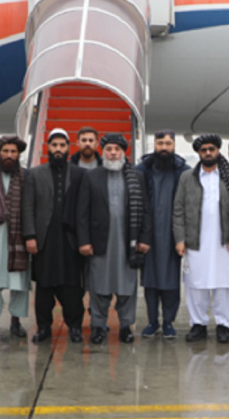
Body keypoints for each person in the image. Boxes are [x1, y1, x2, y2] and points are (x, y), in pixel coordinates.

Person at [77, 133, 151, 345]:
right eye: (109, 149)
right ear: (103, 152)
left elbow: (146, 210)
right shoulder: (92, 176)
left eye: (117, 150)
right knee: (99, 286)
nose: (112, 153)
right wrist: (84, 241)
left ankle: (126, 326)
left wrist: (144, 238)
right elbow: (82, 213)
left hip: (128, 242)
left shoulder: (137, 177)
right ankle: (98, 326)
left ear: (123, 153)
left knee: (127, 287)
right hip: (101, 242)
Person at [22, 128, 86, 343]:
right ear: (48, 147)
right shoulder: (34, 174)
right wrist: (30, 236)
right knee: (44, 286)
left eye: (62, 145)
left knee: (72, 287)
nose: (58, 149)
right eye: (54, 145)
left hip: (70, 239)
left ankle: (74, 326)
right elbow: (27, 207)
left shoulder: (79, 174)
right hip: (45, 239)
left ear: (69, 148)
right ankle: (44, 327)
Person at [173, 134, 229, 343]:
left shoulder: (228, 176)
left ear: (218, 151)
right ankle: (198, 324)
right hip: (194, 240)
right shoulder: (187, 177)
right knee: (195, 284)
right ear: (199, 153)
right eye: (204, 150)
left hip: (223, 240)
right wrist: (180, 238)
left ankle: (224, 324)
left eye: (212, 149)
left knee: (224, 284)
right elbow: (178, 209)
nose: (208, 153)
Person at [136, 130, 189, 339]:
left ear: (174, 145)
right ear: (154, 145)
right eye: (160, 143)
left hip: (172, 234)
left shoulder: (183, 171)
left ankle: (168, 322)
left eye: (168, 143)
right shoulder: (142, 170)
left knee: (171, 281)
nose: (164, 148)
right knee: (150, 281)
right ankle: (152, 322)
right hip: (148, 234)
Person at [0, 135, 30, 339]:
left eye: (13, 151)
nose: (9, 155)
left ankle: (16, 321)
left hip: (19, 235)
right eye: (5, 151)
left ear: (19, 154)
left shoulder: (26, 176)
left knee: (19, 280)